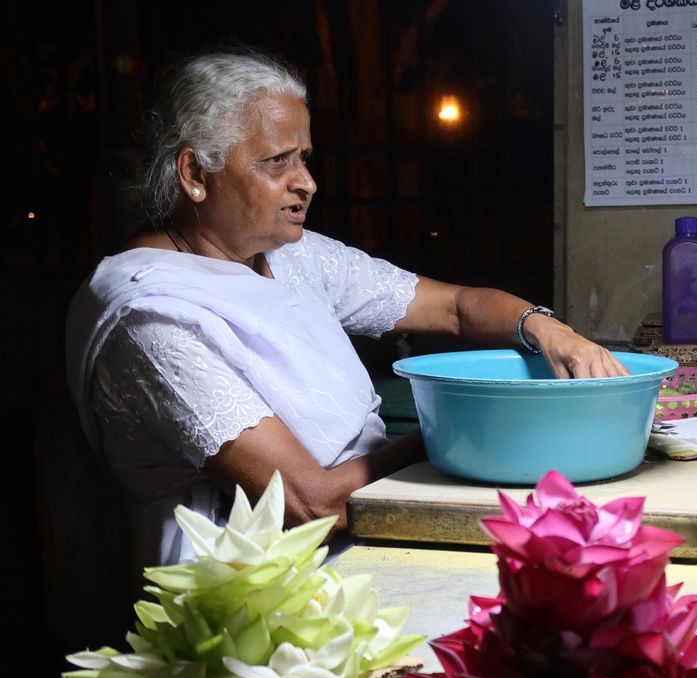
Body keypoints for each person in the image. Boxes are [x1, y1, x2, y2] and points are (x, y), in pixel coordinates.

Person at [64, 47, 627, 566]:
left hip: (367, 520)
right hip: (250, 583)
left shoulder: (295, 258)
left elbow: (456, 306)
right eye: (276, 162)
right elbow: (309, 505)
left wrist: (551, 332)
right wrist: (464, 430)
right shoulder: (152, 319)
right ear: (194, 173)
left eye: (304, 158)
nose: (306, 183)